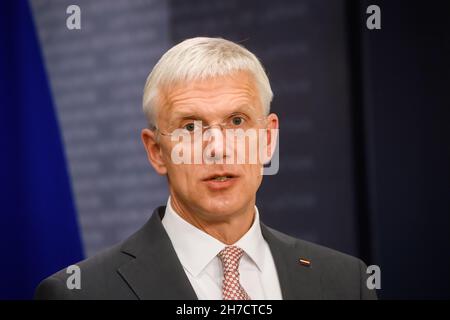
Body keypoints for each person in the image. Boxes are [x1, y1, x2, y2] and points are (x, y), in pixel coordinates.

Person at [35, 37, 377, 300]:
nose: (218, 148)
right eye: (190, 126)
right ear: (156, 152)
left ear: (268, 138)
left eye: (237, 121)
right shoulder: (82, 292)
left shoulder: (346, 282)